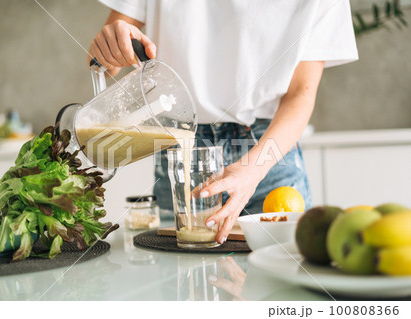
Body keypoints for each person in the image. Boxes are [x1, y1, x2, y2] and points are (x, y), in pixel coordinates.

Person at [89, 0, 358, 245]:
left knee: (279, 281)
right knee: (179, 283)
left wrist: (253, 169)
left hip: (267, 155)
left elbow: (302, 92)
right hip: (179, 144)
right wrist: (110, 46)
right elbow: (107, 62)